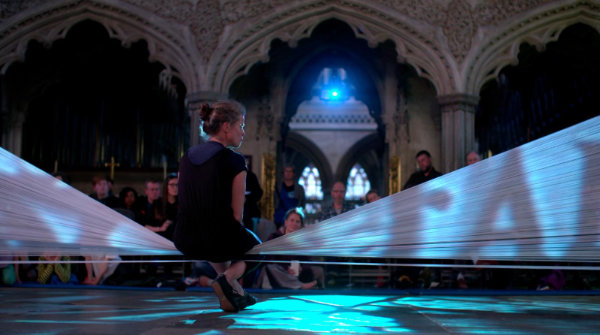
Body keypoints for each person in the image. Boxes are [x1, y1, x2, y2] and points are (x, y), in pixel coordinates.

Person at [174, 100, 261, 313]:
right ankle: (226, 279)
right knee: (258, 250)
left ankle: (237, 293)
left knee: (214, 242)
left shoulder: (186, 157)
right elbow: (236, 215)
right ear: (226, 127)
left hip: (185, 237)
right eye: (240, 125)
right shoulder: (235, 161)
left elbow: (182, 198)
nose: (242, 132)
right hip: (216, 238)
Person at [256, 208, 323, 290]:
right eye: (292, 220)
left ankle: (321, 293)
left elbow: (308, 260)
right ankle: (300, 286)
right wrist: (286, 268)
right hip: (280, 271)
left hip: (297, 273)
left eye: (297, 221)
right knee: (270, 268)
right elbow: (269, 258)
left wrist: (301, 268)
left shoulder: (303, 242)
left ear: (301, 225)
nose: (294, 223)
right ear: (285, 222)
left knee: (319, 271)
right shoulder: (274, 237)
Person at [243, 159, 263, 231]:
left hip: (250, 212)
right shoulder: (233, 175)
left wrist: (247, 197)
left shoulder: (251, 176)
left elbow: (258, 193)